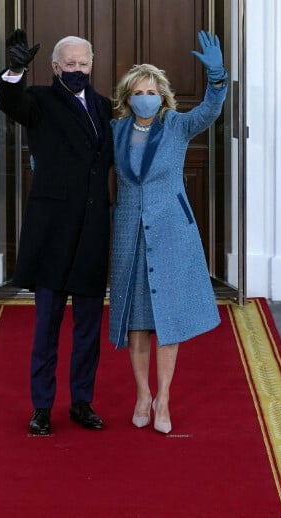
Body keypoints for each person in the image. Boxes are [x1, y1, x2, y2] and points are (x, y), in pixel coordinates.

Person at [109, 31, 228, 434]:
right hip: (130, 232)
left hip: (172, 231)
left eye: (153, 90)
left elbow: (210, 112)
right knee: (138, 320)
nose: (147, 96)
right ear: (129, 97)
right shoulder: (117, 130)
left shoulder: (176, 124)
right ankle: (142, 394)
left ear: (162, 96)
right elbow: (85, 156)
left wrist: (216, 78)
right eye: (139, 90)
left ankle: (165, 398)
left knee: (169, 319)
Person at [0, 29, 114, 436]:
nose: (77, 69)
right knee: (46, 327)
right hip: (52, 234)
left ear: (92, 65)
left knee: (88, 328)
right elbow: (10, 102)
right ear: (55, 67)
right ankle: (42, 407)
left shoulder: (104, 107)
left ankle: (82, 402)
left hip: (93, 233)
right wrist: (13, 70)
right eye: (70, 64)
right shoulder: (40, 102)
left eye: (84, 63)